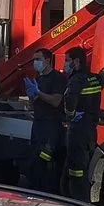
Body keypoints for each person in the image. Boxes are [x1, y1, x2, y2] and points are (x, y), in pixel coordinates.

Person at [62, 46, 104, 202]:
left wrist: (70, 116)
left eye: (67, 61)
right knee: (85, 166)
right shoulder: (95, 79)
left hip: (77, 131)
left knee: (76, 170)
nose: (65, 64)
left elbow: (70, 102)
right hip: (91, 130)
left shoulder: (75, 81)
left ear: (76, 62)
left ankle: (78, 201)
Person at [23, 48, 67, 193]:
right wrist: (31, 97)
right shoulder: (38, 79)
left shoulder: (57, 78)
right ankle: (34, 191)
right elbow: (33, 105)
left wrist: (38, 93)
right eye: (34, 59)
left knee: (44, 162)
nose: (35, 62)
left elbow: (56, 101)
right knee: (33, 165)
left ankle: (48, 193)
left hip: (51, 126)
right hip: (38, 125)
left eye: (38, 59)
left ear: (47, 61)